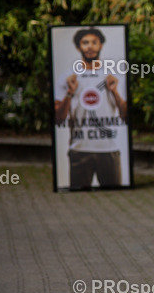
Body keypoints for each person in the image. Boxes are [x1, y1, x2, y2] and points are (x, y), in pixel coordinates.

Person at [54, 28, 128, 189]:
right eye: (85, 42)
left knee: (116, 195)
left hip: (109, 149)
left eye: (94, 42)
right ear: (79, 47)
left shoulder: (113, 76)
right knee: (77, 199)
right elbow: (58, 118)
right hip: (79, 149)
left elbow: (125, 115)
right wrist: (69, 93)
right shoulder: (67, 77)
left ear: (101, 45)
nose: (90, 47)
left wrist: (114, 91)